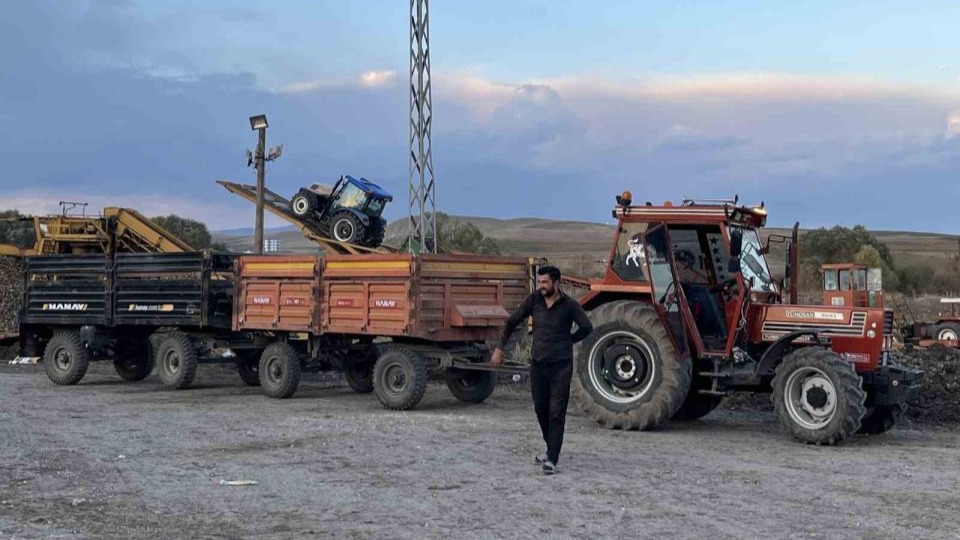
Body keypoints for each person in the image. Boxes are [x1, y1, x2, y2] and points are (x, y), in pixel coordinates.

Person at [491, 265, 593, 475]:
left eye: (545, 282)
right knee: (540, 409)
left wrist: (568, 341)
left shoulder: (569, 306)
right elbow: (512, 321)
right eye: (540, 282)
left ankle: (552, 459)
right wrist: (500, 348)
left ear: (556, 282)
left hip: (561, 366)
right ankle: (550, 447)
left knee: (557, 412)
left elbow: (587, 327)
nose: (541, 286)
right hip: (538, 364)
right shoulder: (534, 300)